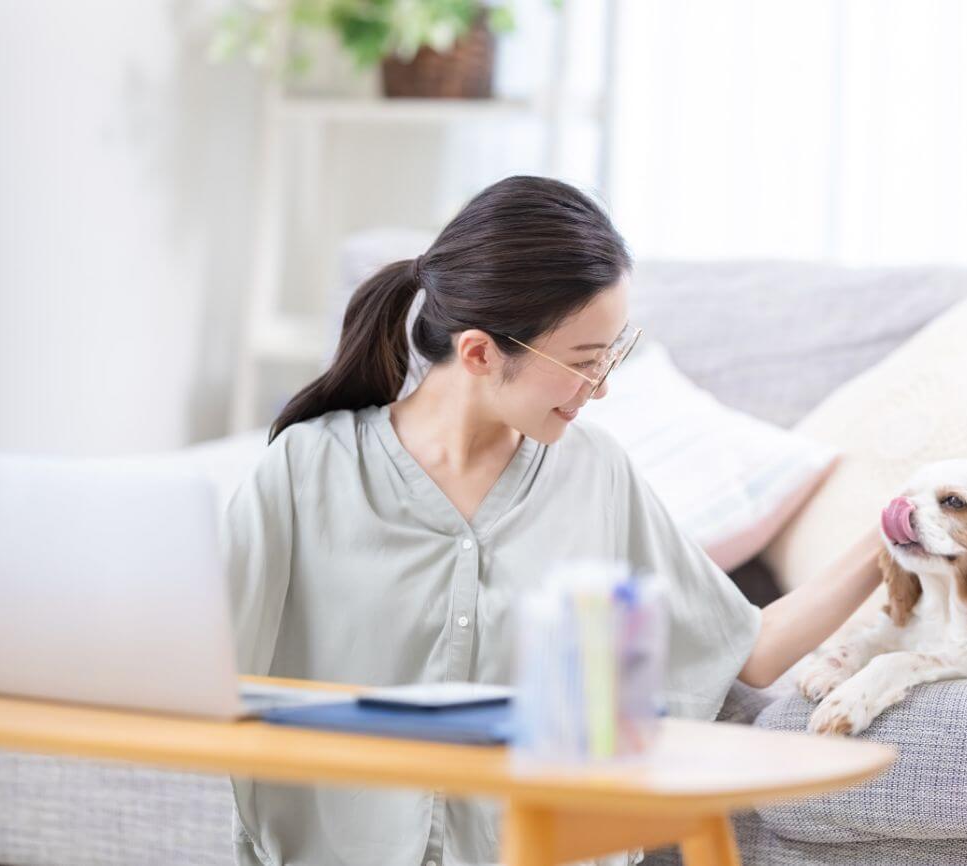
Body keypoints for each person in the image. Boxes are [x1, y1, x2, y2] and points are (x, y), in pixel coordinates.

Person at [224, 175, 883, 866]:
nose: (601, 387)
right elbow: (196, 670)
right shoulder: (307, 470)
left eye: (612, 354)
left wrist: (893, 535)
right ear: (479, 352)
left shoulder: (595, 472)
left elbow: (750, 647)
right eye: (583, 362)